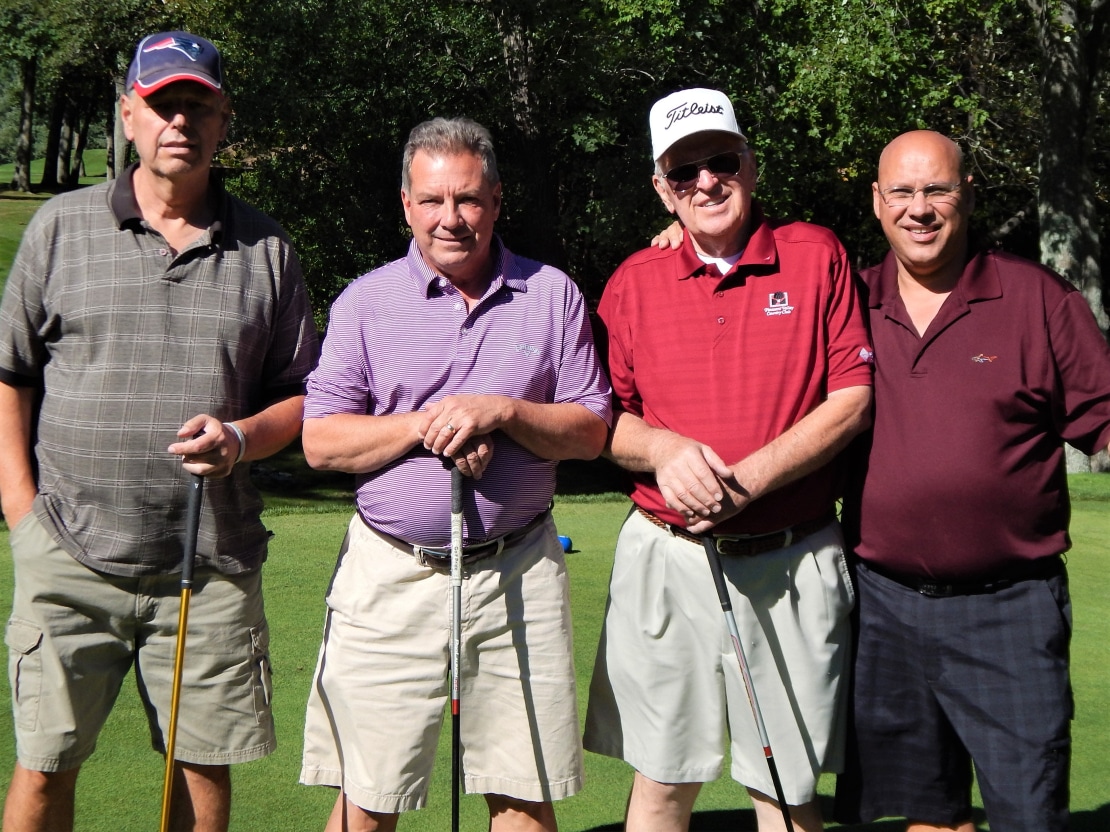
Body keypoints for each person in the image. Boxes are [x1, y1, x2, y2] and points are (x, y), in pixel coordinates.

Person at [0, 32, 319, 832]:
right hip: (68, 556)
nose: (179, 120)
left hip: (207, 569)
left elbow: (306, 399)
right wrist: (22, 516)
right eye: (162, 104)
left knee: (200, 780)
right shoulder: (60, 228)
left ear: (222, 120)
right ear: (129, 117)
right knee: (42, 775)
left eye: (197, 104)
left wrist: (242, 437)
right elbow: (10, 376)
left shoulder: (268, 249)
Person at [297, 116, 612, 832]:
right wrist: (428, 426)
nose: (451, 219)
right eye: (432, 200)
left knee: (522, 795)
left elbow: (590, 430)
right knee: (367, 798)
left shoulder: (552, 293)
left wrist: (501, 412)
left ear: (497, 201)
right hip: (390, 576)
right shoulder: (367, 302)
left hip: (517, 573)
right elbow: (321, 442)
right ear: (406, 204)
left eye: (468, 199)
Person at [582, 87, 874, 832]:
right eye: (683, 173)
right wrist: (664, 449)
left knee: (788, 790)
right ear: (661, 189)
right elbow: (601, 422)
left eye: (720, 161)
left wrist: (746, 482)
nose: (706, 182)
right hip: (667, 558)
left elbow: (851, 397)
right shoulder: (631, 283)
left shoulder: (817, 256)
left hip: (791, 556)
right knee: (661, 784)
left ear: (749, 163)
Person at [832, 130, 1110, 832]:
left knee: (1028, 813)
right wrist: (682, 234)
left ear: (967, 195)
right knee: (921, 817)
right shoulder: (849, 301)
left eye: (937, 190)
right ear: (876, 201)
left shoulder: (1039, 300)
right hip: (884, 608)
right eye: (902, 191)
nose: (919, 209)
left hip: (1009, 608)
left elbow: (1103, 420)